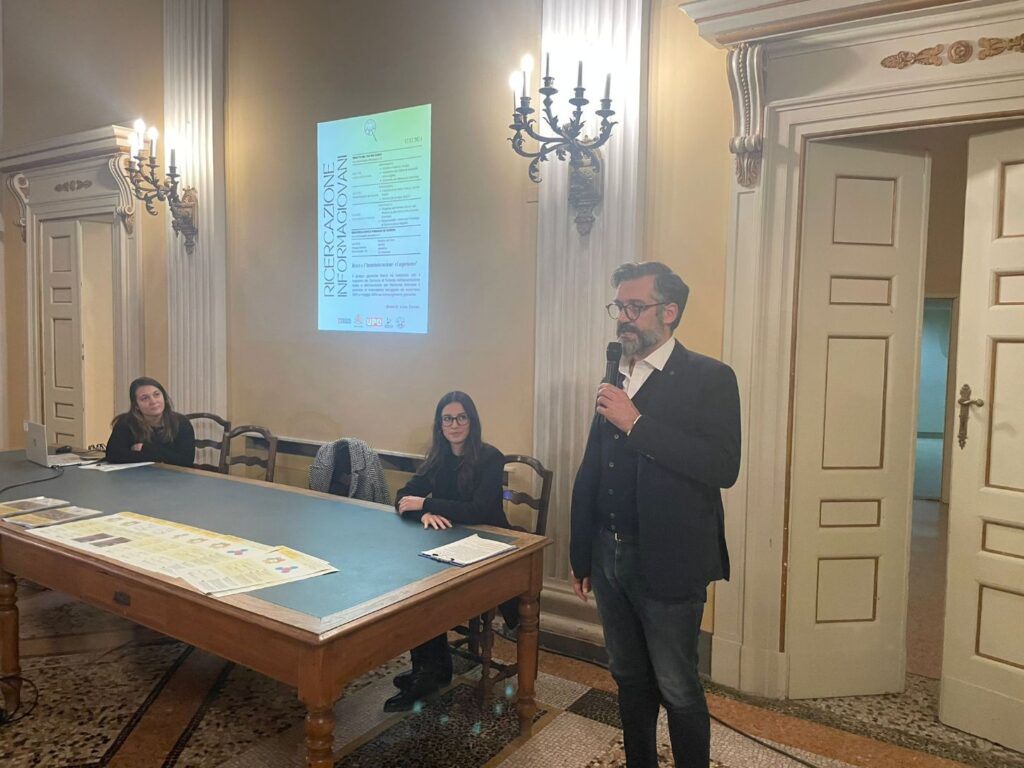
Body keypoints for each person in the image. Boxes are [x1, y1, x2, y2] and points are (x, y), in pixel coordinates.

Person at [570, 262, 741, 768]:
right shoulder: (617, 375)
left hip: (669, 560)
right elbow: (594, 466)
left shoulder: (710, 377)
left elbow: (722, 466)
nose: (623, 317)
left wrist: (637, 423)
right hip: (608, 555)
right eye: (619, 307)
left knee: (677, 685)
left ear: (669, 312)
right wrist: (581, 551)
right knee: (628, 676)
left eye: (634, 307)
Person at [386, 390, 508, 712]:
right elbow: (402, 497)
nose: (454, 425)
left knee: (427, 593)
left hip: (488, 551)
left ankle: (431, 670)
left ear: (472, 421)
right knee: (411, 583)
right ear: (440, 425)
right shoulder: (438, 458)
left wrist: (428, 504)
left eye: (461, 417)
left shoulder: (490, 458)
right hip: (450, 546)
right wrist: (422, 514)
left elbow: (478, 510)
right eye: (447, 419)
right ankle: (431, 668)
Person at [105, 377, 196, 467]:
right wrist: (162, 456)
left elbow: (185, 461)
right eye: (145, 398)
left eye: (156, 394)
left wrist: (145, 448)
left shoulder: (181, 423)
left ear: (164, 397)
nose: (153, 401)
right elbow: (113, 455)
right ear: (136, 405)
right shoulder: (126, 423)